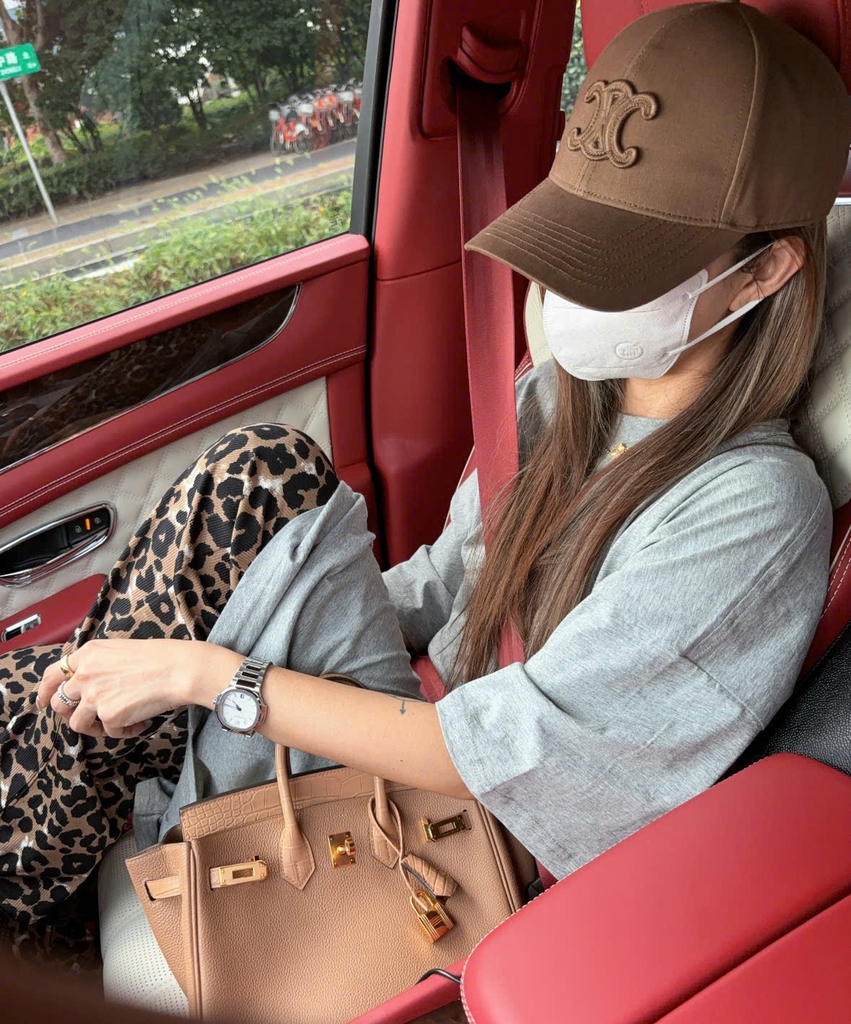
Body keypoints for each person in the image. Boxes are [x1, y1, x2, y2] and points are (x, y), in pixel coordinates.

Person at [1, 0, 849, 983]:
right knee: (165, 583)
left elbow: (513, 754)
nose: (568, 295)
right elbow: (443, 583)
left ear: (759, 274)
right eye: (571, 242)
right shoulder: (555, 398)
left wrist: (214, 677)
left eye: (616, 264)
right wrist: (238, 634)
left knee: (260, 479)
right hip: (393, 721)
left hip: (463, 820)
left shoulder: (754, 507)